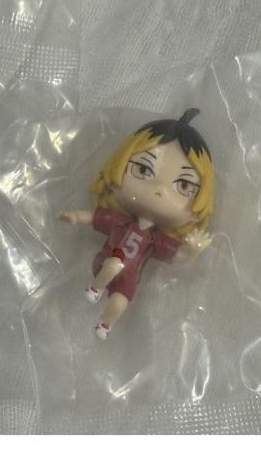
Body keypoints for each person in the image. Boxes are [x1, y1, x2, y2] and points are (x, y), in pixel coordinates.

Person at [58, 109, 213, 340]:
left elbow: (178, 256)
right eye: (143, 169)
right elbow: (93, 217)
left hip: (130, 277)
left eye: (183, 186)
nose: (159, 189)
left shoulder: (156, 240)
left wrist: (192, 250)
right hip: (106, 261)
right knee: (113, 264)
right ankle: (95, 288)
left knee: (120, 302)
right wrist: (74, 216)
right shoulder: (120, 221)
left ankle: (105, 325)